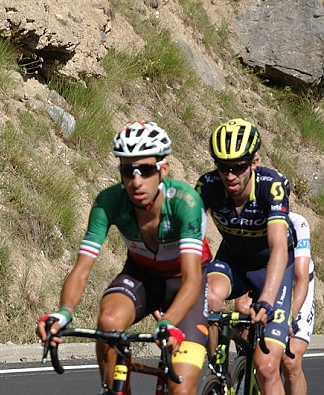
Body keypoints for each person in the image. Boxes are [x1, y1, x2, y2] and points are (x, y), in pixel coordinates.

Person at [37, 121, 212, 395]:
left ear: (163, 169)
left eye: (146, 170)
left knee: (181, 389)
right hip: (141, 276)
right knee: (108, 322)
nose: (137, 180)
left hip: (185, 283)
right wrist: (63, 312)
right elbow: (82, 269)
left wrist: (168, 322)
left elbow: (192, 278)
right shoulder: (108, 203)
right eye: (128, 171)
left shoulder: (186, 203)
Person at [196, 118, 294, 395]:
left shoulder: (271, 186)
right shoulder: (207, 186)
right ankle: (218, 373)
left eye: (238, 167)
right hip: (233, 260)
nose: (230, 175)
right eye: (223, 167)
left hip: (271, 267)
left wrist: (266, 300)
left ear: (254, 162)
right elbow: (191, 241)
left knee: (266, 368)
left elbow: (277, 248)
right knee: (207, 297)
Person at [234, 211, 314, 395]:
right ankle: (246, 360)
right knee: (242, 308)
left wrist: (290, 318)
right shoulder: (249, 219)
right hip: (264, 279)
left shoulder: (297, 223)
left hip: (294, 283)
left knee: (290, 361)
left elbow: (301, 278)